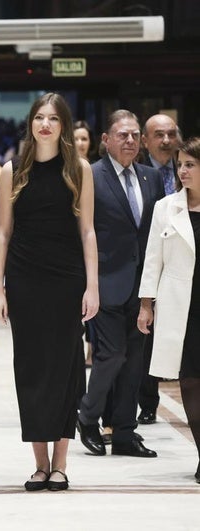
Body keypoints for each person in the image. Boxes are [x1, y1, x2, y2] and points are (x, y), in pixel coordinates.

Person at [0, 93, 99, 491]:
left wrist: (93, 286)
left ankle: (61, 463)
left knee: (66, 369)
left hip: (68, 279)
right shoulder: (11, 171)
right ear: (31, 124)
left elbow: (87, 230)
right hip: (24, 280)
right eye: (39, 117)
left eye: (54, 118)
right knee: (32, 369)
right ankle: (39, 464)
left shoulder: (80, 169)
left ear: (63, 125)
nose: (46, 124)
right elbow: (3, 233)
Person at [77, 109, 164, 459]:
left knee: (135, 363)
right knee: (111, 355)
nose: (129, 140)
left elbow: (155, 234)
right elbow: (82, 232)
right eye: (122, 135)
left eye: (134, 135)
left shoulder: (151, 178)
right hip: (103, 283)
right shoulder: (91, 177)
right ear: (106, 141)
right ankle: (87, 415)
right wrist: (86, 283)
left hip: (142, 286)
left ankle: (125, 433)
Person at [138, 137, 200, 483]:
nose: (182, 170)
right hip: (183, 305)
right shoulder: (166, 207)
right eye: (180, 164)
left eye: (190, 164)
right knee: (190, 380)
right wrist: (146, 304)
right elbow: (152, 260)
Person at [136, 113, 182, 425]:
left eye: (171, 134)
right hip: (147, 263)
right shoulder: (138, 174)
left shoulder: (187, 168)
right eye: (159, 135)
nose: (166, 140)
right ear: (145, 140)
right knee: (146, 338)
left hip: (181, 263)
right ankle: (148, 401)